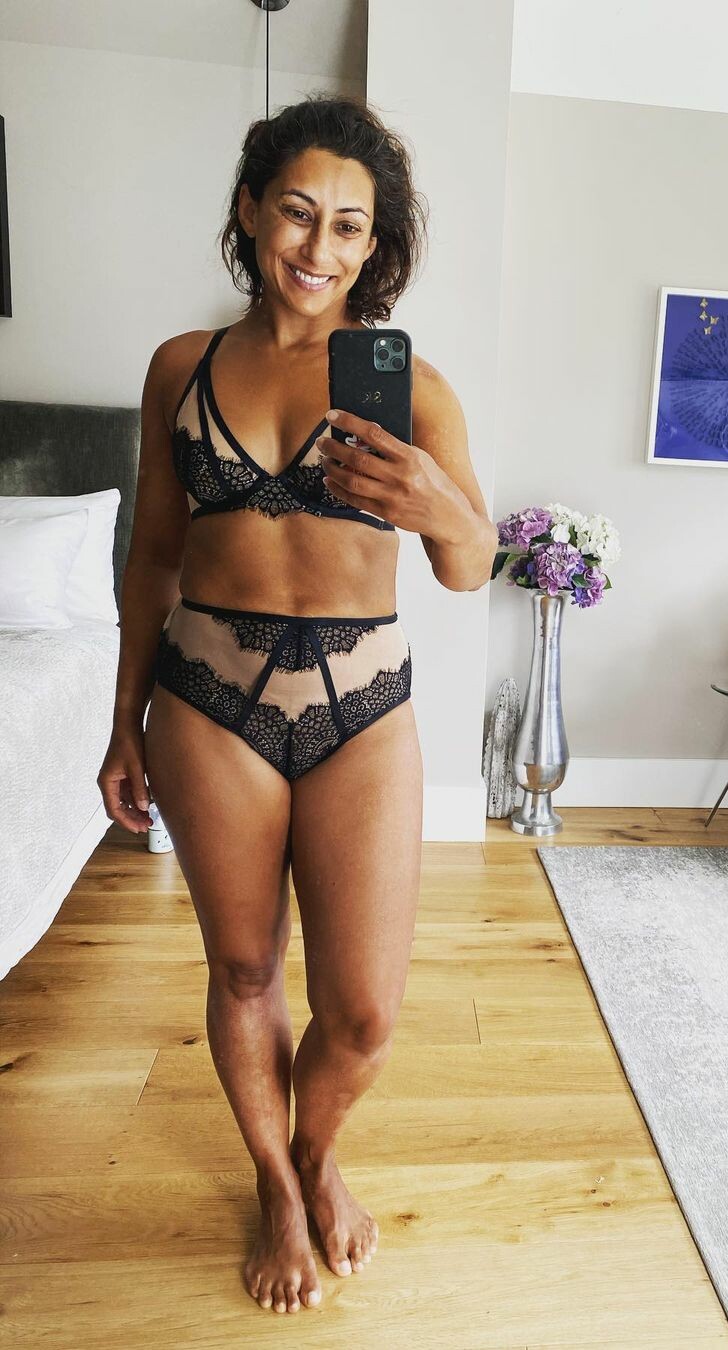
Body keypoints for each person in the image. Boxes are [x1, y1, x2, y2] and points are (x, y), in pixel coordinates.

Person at [96, 94, 498, 1316]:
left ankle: (320, 1149)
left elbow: (471, 565)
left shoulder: (414, 386)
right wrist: (122, 720)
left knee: (364, 1014)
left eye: (350, 227)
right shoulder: (181, 367)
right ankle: (277, 1182)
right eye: (297, 213)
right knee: (243, 968)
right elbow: (153, 555)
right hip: (206, 702)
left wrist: (434, 505)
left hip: (359, 707)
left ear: (377, 246)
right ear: (250, 211)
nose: (319, 248)